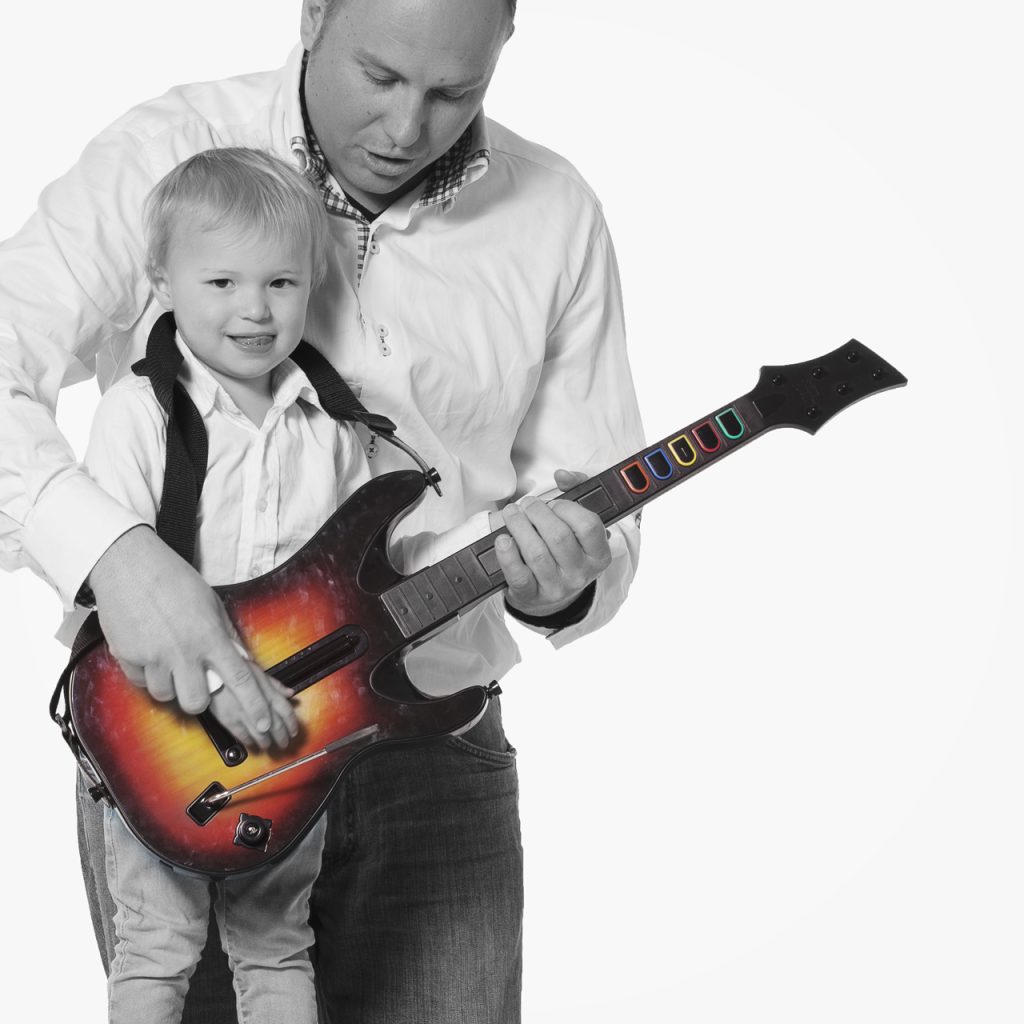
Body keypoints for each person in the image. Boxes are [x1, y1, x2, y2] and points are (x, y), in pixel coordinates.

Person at [0, 1, 644, 1021]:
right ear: (311, 15)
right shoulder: (168, 152)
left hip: (436, 753)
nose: (405, 127)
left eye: (453, 92)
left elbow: (586, 497)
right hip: (187, 751)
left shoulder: (554, 212)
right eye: (380, 78)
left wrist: (569, 575)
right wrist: (117, 558)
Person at [74, 145, 375, 1024]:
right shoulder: (135, 416)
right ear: (162, 282)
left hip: (289, 729)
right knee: (156, 945)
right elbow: (108, 589)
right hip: (160, 729)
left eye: (282, 283)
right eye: (222, 284)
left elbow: (347, 582)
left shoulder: (333, 431)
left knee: (278, 944)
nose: (255, 310)